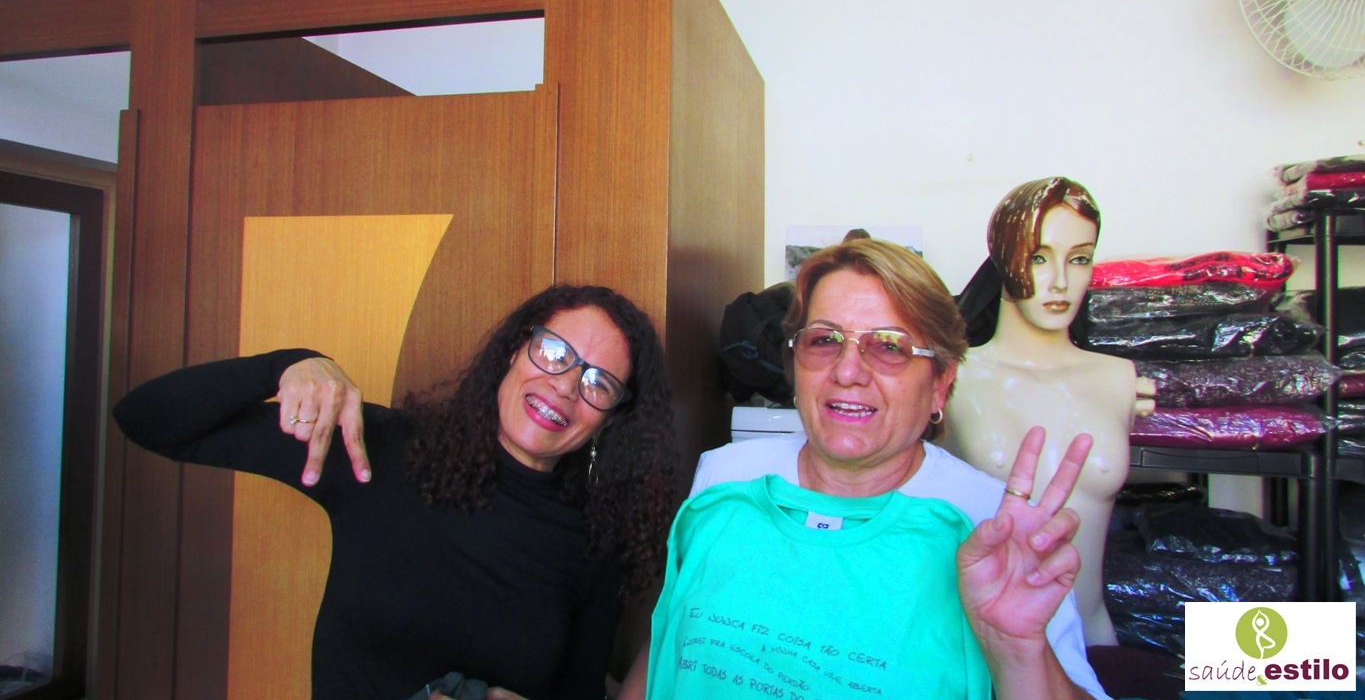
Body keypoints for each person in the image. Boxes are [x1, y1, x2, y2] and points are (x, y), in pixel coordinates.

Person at [112, 284, 679, 700]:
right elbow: (147, 419)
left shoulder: (596, 541)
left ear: (610, 418)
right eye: (554, 353)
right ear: (515, 348)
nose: (565, 386)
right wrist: (286, 366)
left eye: (599, 383)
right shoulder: (378, 450)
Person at [619, 237, 1111, 699]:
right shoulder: (725, 479)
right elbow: (673, 646)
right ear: (795, 366)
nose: (847, 371)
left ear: (940, 384)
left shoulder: (992, 523)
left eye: (890, 346)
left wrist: (1018, 651)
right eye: (823, 340)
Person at [944, 177, 1151, 647]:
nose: (1060, 282)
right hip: (985, 643)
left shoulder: (1117, 378)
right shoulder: (956, 377)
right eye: (1038, 258)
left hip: (1092, 639)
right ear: (1003, 259)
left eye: (1079, 259)